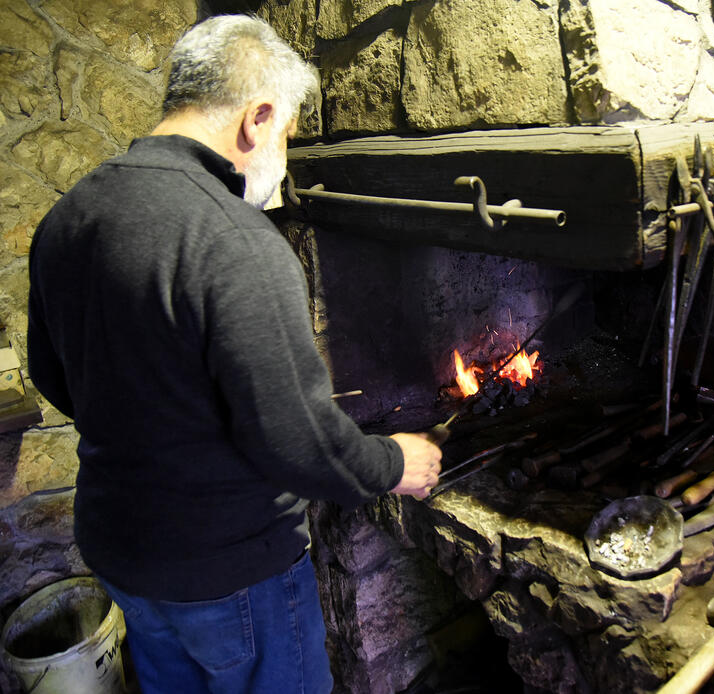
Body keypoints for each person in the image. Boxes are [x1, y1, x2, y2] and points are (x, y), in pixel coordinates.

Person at [26, 14, 441, 694]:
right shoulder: (233, 239)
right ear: (258, 117)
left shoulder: (68, 216)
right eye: (286, 133)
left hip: (120, 550)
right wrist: (397, 462)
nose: (283, 151)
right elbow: (299, 442)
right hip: (232, 575)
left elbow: (56, 377)